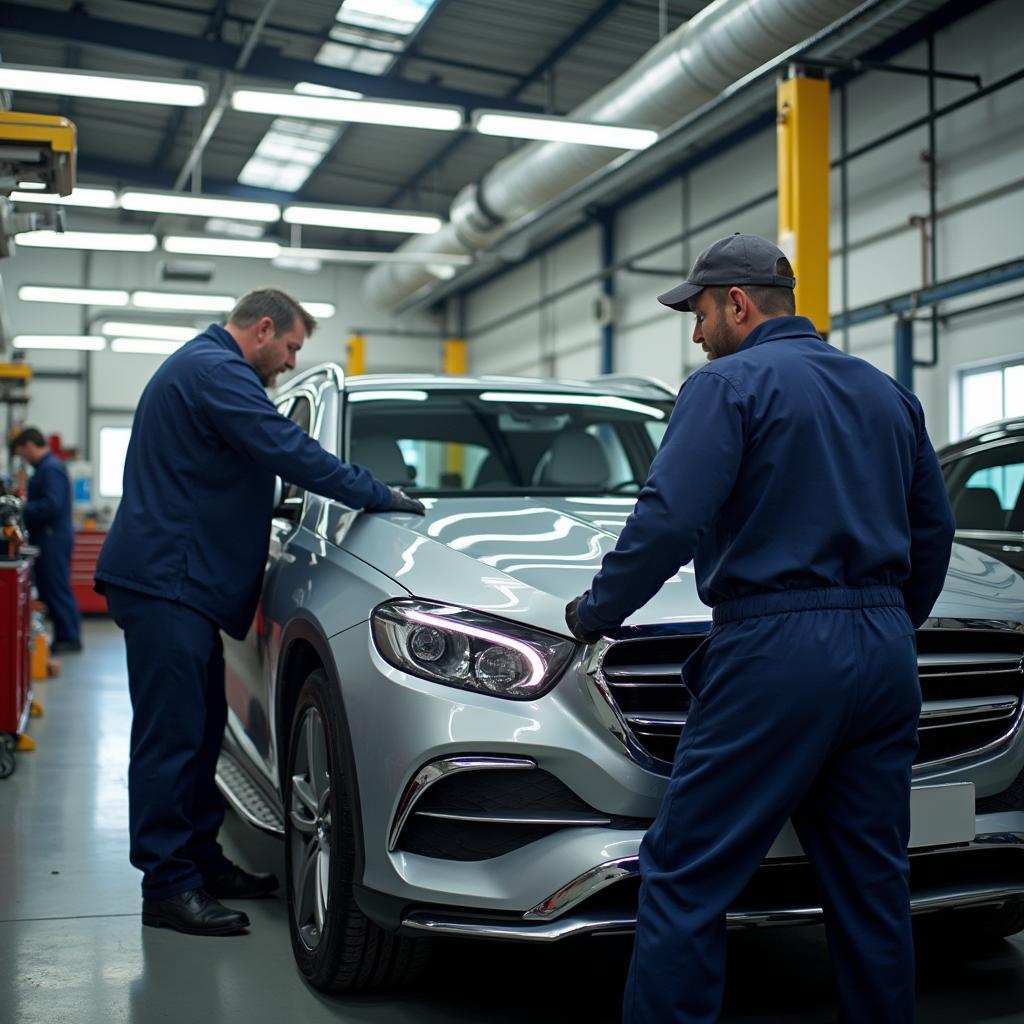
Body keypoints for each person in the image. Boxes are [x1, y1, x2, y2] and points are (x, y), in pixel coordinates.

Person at [564, 234, 955, 1024]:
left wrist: (594, 613)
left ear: (737, 304)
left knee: (685, 872)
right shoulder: (887, 392)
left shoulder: (725, 386)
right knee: (873, 883)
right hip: (884, 655)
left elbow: (670, 518)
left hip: (776, 651)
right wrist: (886, 625)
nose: (697, 333)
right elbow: (933, 530)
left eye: (701, 314)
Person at [95, 288, 424, 938]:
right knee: (172, 739)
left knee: (200, 726)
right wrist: (374, 493)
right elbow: (284, 446)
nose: (290, 359)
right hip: (168, 583)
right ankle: (166, 886)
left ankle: (200, 861)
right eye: (293, 346)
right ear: (264, 328)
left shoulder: (204, 367)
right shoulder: (217, 370)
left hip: (176, 583)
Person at [12, 427, 82, 653]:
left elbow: (52, 505)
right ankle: (65, 635)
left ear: (30, 446)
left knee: (56, 587)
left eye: (23, 453)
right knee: (50, 587)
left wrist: (22, 508)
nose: (24, 458)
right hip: (49, 537)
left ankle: (70, 637)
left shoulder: (50, 469)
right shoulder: (45, 468)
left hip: (53, 538)